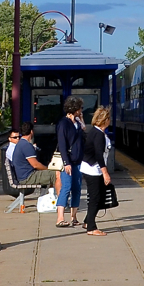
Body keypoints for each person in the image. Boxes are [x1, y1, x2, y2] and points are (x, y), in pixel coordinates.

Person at [80, 107, 113, 237]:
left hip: (90, 168)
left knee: (98, 197)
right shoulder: (99, 135)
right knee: (95, 198)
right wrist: (105, 173)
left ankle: (87, 221)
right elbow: (99, 155)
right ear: (105, 120)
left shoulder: (95, 131)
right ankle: (91, 228)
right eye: (108, 118)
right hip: (93, 169)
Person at [55, 96, 85, 228]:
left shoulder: (77, 123)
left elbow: (83, 130)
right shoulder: (63, 124)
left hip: (78, 160)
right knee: (66, 187)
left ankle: (74, 217)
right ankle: (60, 217)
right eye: (80, 108)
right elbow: (62, 144)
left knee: (77, 188)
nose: (81, 110)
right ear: (75, 109)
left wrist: (81, 120)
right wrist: (66, 162)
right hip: (68, 161)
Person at [12, 122, 59, 188]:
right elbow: (35, 165)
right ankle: (61, 197)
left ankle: (51, 194)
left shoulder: (20, 144)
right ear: (31, 131)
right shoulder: (26, 146)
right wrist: (47, 169)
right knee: (57, 174)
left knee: (50, 173)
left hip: (23, 176)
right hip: (27, 177)